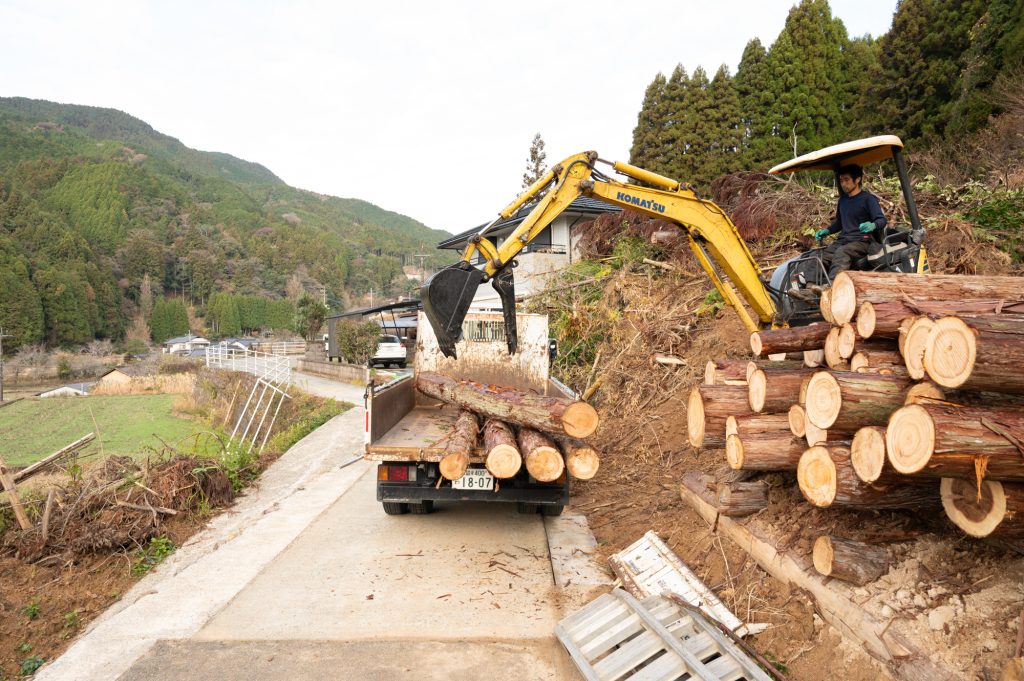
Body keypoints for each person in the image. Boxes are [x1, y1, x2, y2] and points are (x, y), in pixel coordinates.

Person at [813, 164, 887, 286]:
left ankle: (832, 287)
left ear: (857, 180)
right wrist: (827, 231)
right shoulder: (843, 201)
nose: (843, 184)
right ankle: (810, 289)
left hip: (862, 241)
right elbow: (840, 223)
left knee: (842, 252)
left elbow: (881, 220)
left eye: (846, 180)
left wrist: (873, 225)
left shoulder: (868, 199)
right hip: (844, 240)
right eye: (841, 180)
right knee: (819, 255)